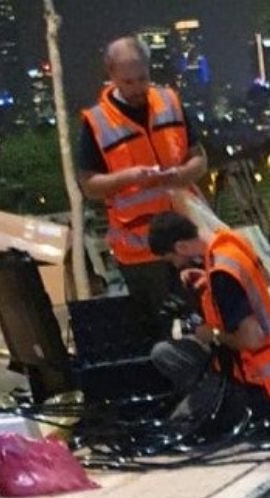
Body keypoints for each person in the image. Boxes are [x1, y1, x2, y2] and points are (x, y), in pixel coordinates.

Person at [79, 36, 208, 341]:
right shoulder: (96, 122)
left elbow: (200, 159)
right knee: (158, 335)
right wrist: (131, 177)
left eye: (143, 78)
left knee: (204, 324)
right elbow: (89, 186)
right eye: (128, 81)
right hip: (141, 253)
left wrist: (180, 174)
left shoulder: (170, 102)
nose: (137, 88)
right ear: (111, 75)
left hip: (187, 240)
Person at [146, 211, 270, 433]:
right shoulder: (231, 245)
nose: (176, 266)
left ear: (181, 247)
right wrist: (208, 282)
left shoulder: (222, 275)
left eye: (173, 259)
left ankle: (217, 404)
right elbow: (261, 283)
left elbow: (253, 339)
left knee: (176, 428)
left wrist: (211, 333)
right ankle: (210, 395)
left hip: (257, 389)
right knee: (164, 352)